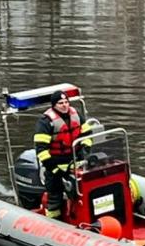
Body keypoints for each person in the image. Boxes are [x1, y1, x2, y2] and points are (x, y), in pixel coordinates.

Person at [34, 90, 99, 219]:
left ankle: (83, 217)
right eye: (60, 103)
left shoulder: (76, 115)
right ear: (54, 105)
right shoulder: (46, 122)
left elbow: (87, 134)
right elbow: (41, 150)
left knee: (85, 192)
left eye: (66, 102)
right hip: (56, 164)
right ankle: (54, 220)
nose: (64, 105)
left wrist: (85, 148)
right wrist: (54, 169)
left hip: (76, 161)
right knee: (55, 197)